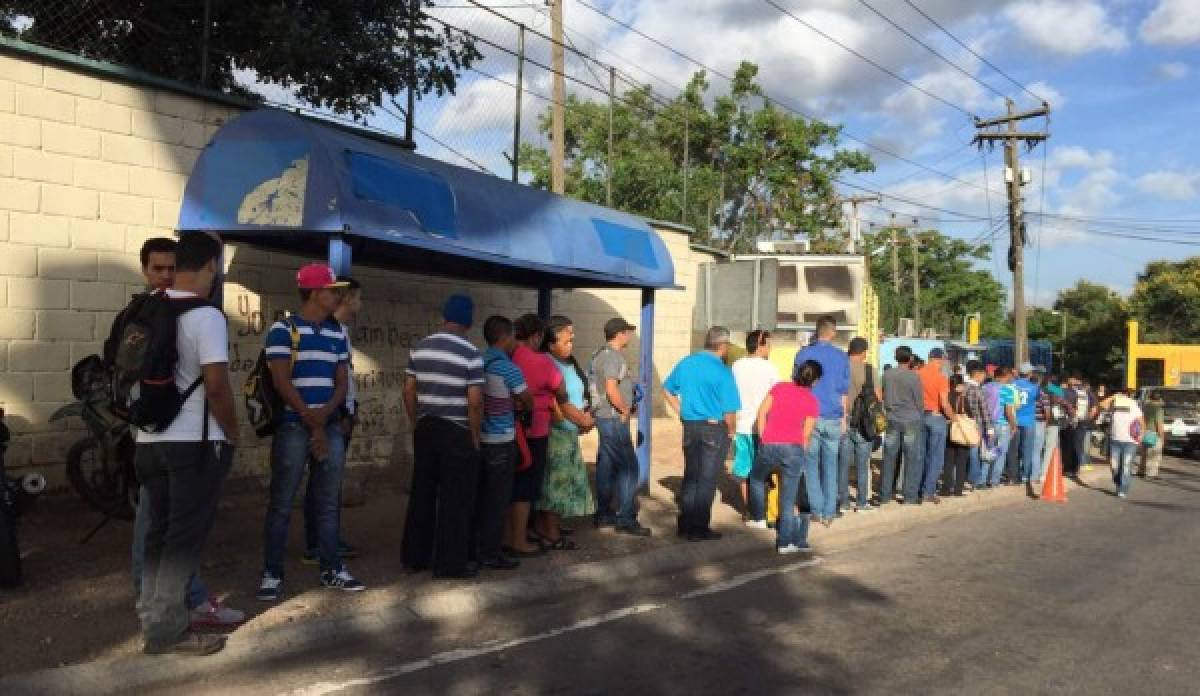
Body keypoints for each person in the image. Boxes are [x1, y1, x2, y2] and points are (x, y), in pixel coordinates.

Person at [128, 237, 243, 630]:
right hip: (193, 442)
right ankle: (167, 630)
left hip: (148, 440)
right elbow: (216, 385)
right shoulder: (206, 315)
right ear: (211, 266)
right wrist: (233, 432)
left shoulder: (143, 309)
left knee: (157, 537)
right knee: (182, 542)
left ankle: (153, 622)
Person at [258, 264, 363, 600]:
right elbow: (281, 380)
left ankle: (332, 568)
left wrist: (325, 416)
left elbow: (342, 380)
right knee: (282, 503)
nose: (338, 296)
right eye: (333, 290)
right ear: (316, 293)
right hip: (293, 425)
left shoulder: (337, 334)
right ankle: (272, 573)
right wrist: (310, 417)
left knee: (328, 502)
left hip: (326, 424)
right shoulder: (283, 329)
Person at [401, 295, 484, 578]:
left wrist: (416, 421)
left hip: (426, 427)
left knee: (422, 493)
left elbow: (408, 390)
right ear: (468, 320)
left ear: (445, 316)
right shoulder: (471, 353)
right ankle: (450, 563)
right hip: (457, 431)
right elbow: (474, 400)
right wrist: (474, 436)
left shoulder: (420, 347)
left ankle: (415, 557)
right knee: (456, 498)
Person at [302, 276, 361, 566]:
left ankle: (327, 538)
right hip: (330, 414)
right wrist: (344, 412)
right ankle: (317, 543)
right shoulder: (332, 330)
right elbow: (338, 379)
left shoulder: (340, 331)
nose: (359, 304)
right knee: (322, 481)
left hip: (338, 412)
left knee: (329, 481)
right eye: (357, 297)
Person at [663, 326, 741, 542]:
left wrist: (682, 411)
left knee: (691, 476)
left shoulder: (687, 363)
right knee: (707, 480)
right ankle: (699, 528)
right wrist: (731, 432)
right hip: (714, 428)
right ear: (722, 346)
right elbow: (730, 411)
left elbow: (668, 389)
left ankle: (685, 525)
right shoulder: (722, 371)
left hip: (691, 426)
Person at [475, 316, 532, 570]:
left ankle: (476, 547)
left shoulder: (478, 362)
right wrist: (517, 403)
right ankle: (490, 553)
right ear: (505, 338)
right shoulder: (508, 367)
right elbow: (527, 398)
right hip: (501, 439)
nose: (514, 343)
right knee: (498, 500)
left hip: (480, 438)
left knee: (481, 496)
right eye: (512, 338)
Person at [508, 314, 568, 554]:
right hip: (534, 431)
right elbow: (561, 390)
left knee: (508, 484)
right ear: (537, 336)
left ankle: (507, 536)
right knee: (525, 487)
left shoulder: (508, 356)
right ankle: (519, 539)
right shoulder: (541, 360)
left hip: (505, 429)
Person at [535, 315, 597, 549]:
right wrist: (582, 419)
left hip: (569, 432)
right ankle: (551, 535)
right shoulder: (547, 363)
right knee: (555, 484)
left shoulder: (568, 362)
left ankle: (547, 527)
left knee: (559, 482)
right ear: (550, 343)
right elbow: (557, 402)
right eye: (566, 341)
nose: (571, 345)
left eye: (572, 340)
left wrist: (584, 419)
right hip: (556, 434)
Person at [749, 360, 822, 554]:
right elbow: (806, 434)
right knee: (788, 499)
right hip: (793, 448)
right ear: (815, 381)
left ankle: (758, 517)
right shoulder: (811, 401)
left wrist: (764, 437)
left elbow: (762, 412)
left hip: (770, 444)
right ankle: (784, 542)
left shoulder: (779, 387)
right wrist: (800, 456)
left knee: (756, 478)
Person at [588, 318, 651, 536]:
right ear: (619, 334)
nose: (630, 336)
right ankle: (625, 519)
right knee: (629, 468)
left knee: (606, 466)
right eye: (628, 332)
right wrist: (625, 410)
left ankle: (604, 514)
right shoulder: (612, 357)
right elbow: (611, 390)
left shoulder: (599, 354)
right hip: (613, 419)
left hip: (604, 418)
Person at [792, 316, 849, 525]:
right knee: (831, 465)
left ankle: (816, 509)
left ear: (816, 332)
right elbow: (844, 390)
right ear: (832, 332)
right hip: (833, 416)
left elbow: (797, 386)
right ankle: (829, 512)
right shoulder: (841, 357)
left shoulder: (803, 354)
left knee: (811, 465)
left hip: (809, 417)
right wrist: (844, 417)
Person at [731, 329, 779, 525]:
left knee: (744, 470)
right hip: (764, 427)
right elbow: (776, 398)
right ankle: (767, 510)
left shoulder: (736, 365)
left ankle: (749, 509)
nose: (770, 348)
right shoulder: (770, 368)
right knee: (766, 470)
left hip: (742, 425)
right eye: (768, 344)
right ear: (760, 346)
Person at [840, 337, 879, 513]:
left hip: (843, 419)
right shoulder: (870, 370)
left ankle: (843, 502)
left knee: (843, 464)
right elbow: (877, 397)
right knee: (862, 465)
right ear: (864, 352)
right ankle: (862, 502)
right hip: (864, 423)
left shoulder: (840, 369)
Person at [880, 345, 923, 506]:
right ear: (910, 358)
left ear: (896, 357)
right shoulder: (913, 377)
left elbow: (882, 394)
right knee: (911, 459)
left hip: (892, 417)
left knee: (889, 457)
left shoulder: (887, 374)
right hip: (911, 418)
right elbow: (919, 400)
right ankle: (909, 496)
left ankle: (885, 495)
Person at [917, 347, 956, 504]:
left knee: (922, 455)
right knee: (935, 458)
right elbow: (945, 403)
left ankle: (919, 489)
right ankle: (928, 491)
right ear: (939, 360)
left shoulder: (917, 374)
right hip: (935, 416)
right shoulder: (941, 378)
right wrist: (954, 418)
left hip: (919, 416)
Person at [981, 367, 1018, 488]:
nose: (1011, 378)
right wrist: (1013, 425)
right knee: (1000, 453)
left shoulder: (985, 387)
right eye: (1009, 375)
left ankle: (982, 479)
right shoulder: (1008, 390)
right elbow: (1008, 411)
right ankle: (994, 481)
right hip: (1002, 425)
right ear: (1005, 375)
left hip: (988, 424)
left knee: (988, 452)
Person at [1106, 387, 1144, 498]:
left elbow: (1142, 422)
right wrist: (1113, 396)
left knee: (1126, 466)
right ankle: (1118, 483)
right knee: (1114, 466)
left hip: (1130, 442)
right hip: (1115, 440)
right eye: (1121, 394)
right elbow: (1101, 404)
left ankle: (1123, 489)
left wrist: (1140, 436)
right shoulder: (1114, 405)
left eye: (1125, 395)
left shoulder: (1134, 405)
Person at [942, 375, 974, 497]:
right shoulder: (962, 398)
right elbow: (970, 415)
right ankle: (958, 489)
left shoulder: (946, 396)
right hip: (961, 432)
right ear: (959, 385)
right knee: (961, 461)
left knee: (948, 461)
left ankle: (945, 489)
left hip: (948, 431)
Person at [1009, 363, 1041, 485]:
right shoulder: (1034, 387)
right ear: (1029, 373)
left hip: (1014, 420)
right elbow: (1038, 398)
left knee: (1014, 450)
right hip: (1028, 421)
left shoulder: (1012, 385)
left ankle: (1013, 475)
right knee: (1027, 450)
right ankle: (1025, 475)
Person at [963, 361, 990, 490]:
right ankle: (974, 479)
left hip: (963, 424)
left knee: (964, 453)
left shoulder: (963, 387)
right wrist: (989, 427)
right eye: (984, 374)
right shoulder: (978, 390)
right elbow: (984, 411)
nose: (985, 377)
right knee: (975, 453)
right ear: (978, 374)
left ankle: (963, 478)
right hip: (976, 425)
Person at [1063, 375, 1096, 476]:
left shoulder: (1067, 391)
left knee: (1068, 445)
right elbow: (1094, 409)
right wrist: (1087, 419)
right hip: (1083, 421)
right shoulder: (1088, 393)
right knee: (1078, 444)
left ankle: (1068, 469)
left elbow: (1048, 387)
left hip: (1070, 421)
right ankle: (1076, 468)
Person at [1140, 391, 1166, 478]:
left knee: (1144, 454)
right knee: (1154, 455)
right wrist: (1162, 437)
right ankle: (1151, 473)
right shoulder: (1158, 409)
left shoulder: (1145, 407)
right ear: (1159, 399)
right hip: (1154, 433)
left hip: (1144, 432)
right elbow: (1159, 424)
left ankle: (1141, 471)